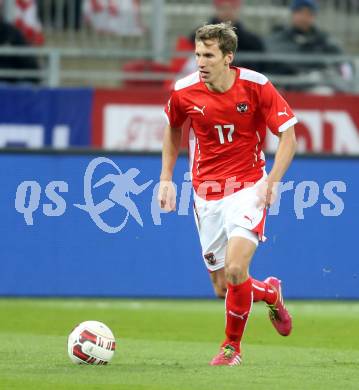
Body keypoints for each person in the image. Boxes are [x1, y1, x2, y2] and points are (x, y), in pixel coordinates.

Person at [158, 23, 297, 366]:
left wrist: (272, 181)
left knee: (236, 269)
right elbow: (174, 129)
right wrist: (166, 178)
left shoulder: (256, 86)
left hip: (248, 187)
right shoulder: (184, 91)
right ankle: (269, 292)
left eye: (208, 55)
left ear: (228, 57)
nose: (201, 62)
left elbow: (289, 136)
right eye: (197, 55)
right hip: (206, 194)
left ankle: (230, 348)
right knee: (224, 287)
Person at [265, 0, 352, 90]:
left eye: (309, 14)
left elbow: (343, 62)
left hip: (315, 86)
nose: (304, 18)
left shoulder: (323, 40)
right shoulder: (279, 38)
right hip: (285, 87)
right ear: (293, 14)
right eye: (300, 13)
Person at [189, 0, 265, 72]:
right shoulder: (199, 35)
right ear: (216, 9)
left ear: (237, 9)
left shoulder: (253, 41)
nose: (227, 12)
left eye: (231, 7)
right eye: (223, 8)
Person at [0, 16, 40, 84]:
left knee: (26, 85)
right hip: (5, 80)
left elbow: (27, 59)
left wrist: (35, 79)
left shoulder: (11, 32)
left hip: (15, 79)